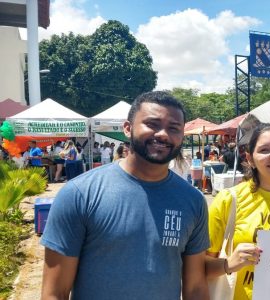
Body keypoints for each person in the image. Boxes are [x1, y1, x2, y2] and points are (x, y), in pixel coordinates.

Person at [41, 91, 210, 299]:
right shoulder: (79, 194)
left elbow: (195, 289)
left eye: (173, 128)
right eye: (152, 124)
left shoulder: (192, 201)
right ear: (127, 129)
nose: (163, 134)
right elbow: (54, 293)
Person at [206, 123, 270, 300]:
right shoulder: (228, 200)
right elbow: (198, 267)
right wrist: (228, 264)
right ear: (250, 159)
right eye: (264, 150)